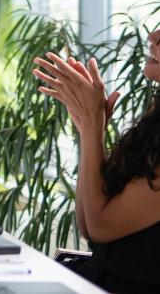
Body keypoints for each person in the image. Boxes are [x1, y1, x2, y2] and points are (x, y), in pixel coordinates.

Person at [33, 29, 160, 293]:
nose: (153, 35)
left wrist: (93, 126)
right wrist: (89, 130)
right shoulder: (153, 124)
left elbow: (101, 226)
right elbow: (88, 224)